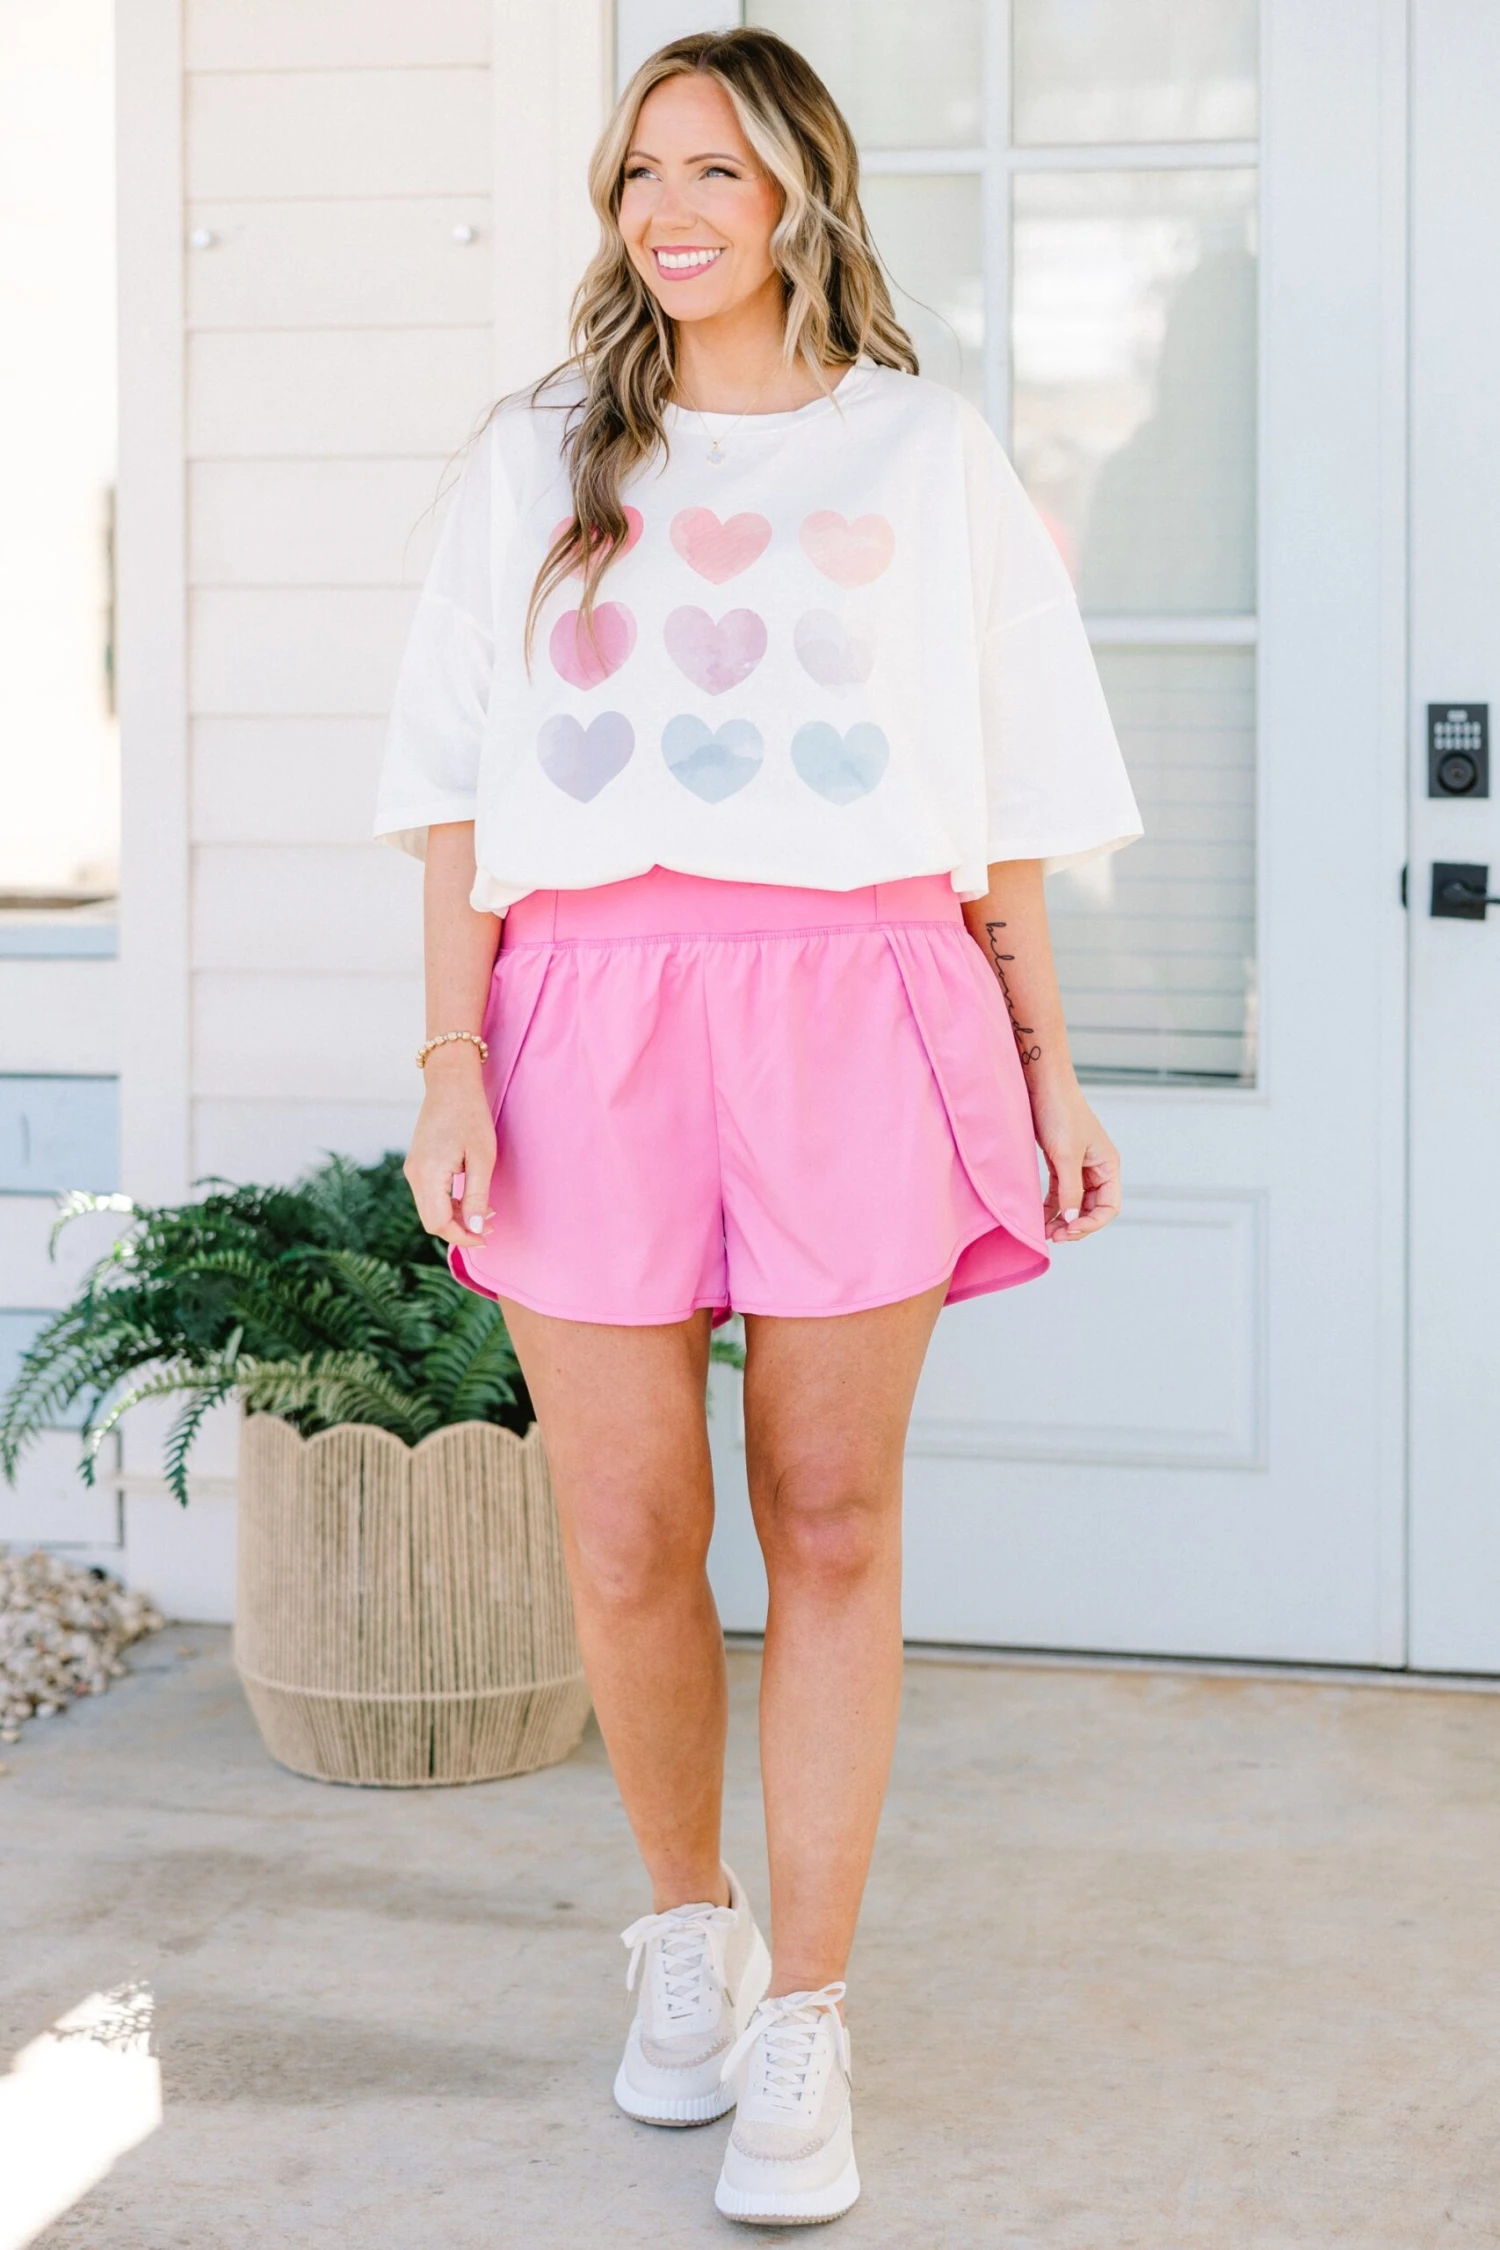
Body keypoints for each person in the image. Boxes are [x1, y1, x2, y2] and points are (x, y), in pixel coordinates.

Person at [375, 27, 1140, 2229]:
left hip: (862, 999)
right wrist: (451, 1058)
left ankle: (808, 2011)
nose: (671, 210)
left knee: (829, 1514)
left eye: (715, 168)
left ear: (804, 190)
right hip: (585, 1013)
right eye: (641, 174)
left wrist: (1048, 1058)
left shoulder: (927, 450)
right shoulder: (535, 455)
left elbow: (1004, 794)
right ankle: (687, 1930)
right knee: (626, 1531)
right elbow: (452, 789)